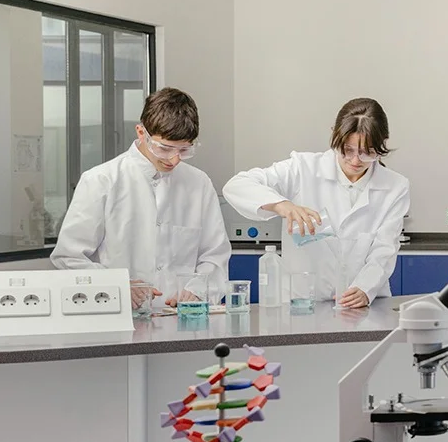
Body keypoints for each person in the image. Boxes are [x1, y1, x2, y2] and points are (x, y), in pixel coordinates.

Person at [222, 98, 410, 308]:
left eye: (368, 152)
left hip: (364, 305)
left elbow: (384, 250)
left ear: (383, 142)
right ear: (335, 135)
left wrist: (366, 288)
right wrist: (282, 205)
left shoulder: (395, 187)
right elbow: (236, 185)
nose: (356, 160)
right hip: (301, 304)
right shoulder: (303, 169)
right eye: (347, 150)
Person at [52, 88, 230, 307]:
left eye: (184, 150)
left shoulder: (198, 183)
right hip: (118, 314)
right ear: (141, 133)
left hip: (182, 317)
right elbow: (68, 258)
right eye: (164, 148)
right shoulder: (101, 180)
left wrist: (198, 290)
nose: (174, 160)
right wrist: (116, 286)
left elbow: (215, 255)